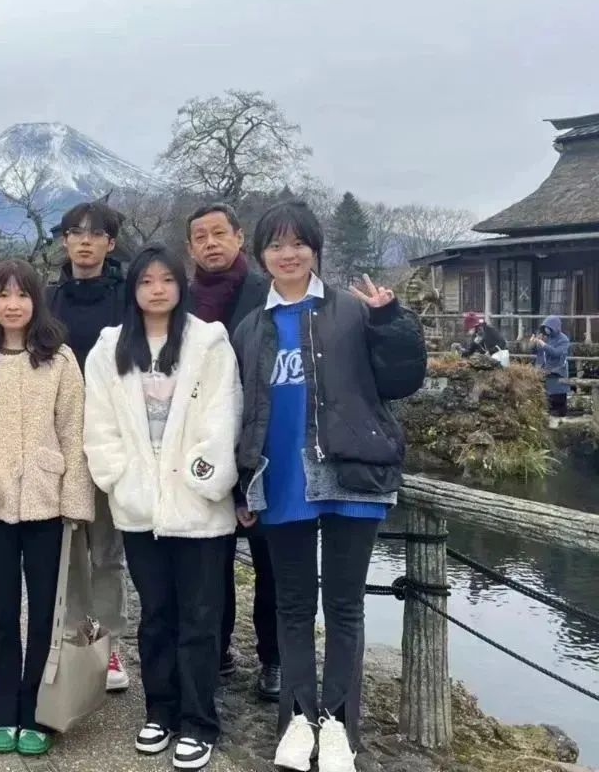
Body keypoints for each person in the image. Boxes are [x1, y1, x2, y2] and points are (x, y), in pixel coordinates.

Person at [232, 200, 426, 772]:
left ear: (315, 249)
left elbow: (403, 380)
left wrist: (392, 322)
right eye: (275, 245)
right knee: (292, 605)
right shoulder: (252, 328)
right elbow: (243, 414)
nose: (288, 254)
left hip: (351, 475)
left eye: (298, 243)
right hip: (281, 479)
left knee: (344, 606)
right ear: (261, 255)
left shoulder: (353, 311)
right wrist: (243, 485)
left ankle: (339, 723)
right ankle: (297, 717)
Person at [84, 245, 242, 771]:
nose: (157, 289)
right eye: (146, 281)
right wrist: (119, 478)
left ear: (181, 285)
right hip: (139, 505)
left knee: (200, 617)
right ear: (133, 289)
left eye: (166, 280)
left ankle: (199, 722)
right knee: (155, 616)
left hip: (199, 507)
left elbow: (222, 417)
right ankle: (160, 712)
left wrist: (202, 479)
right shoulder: (109, 348)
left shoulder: (208, 342)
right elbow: (99, 424)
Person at [0, 259, 95, 757]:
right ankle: (1, 708)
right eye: (3, 295)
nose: (12, 305)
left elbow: (73, 431)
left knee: (46, 611)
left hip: (47, 504)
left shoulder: (60, 359)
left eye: (22, 295)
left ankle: (38, 709)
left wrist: (75, 501)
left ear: (36, 300)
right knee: (3, 609)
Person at [186, 202, 280, 700]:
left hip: (262, 444)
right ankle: (216, 649)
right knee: (209, 559)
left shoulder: (268, 294)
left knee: (271, 558)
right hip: (202, 445)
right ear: (190, 248)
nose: (211, 243)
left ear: (240, 238)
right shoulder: (180, 301)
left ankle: (275, 658)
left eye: (219, 233)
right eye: (200, 237)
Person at [46, 201, 129, 691]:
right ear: (64, 241)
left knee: (107, 552)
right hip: (60, 441)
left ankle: (111, 646)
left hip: (110, 438)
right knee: (70, 551)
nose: (84, 241)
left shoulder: (126, 300)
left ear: (109, 244)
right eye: (75, 233)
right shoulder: (48, 300)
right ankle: (77, 637)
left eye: (95, 234)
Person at [532, 316, 571, 416]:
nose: (547, 330)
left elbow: (556, 353)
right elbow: (539, 353)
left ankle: (560, 415)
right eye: (545, 327)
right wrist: (535, 343)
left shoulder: (564, 340)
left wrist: (544, 345)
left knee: (558, 400)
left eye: (549, 327)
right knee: (546, 400)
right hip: (545, 372)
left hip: (558, 372)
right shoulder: (546, 337)